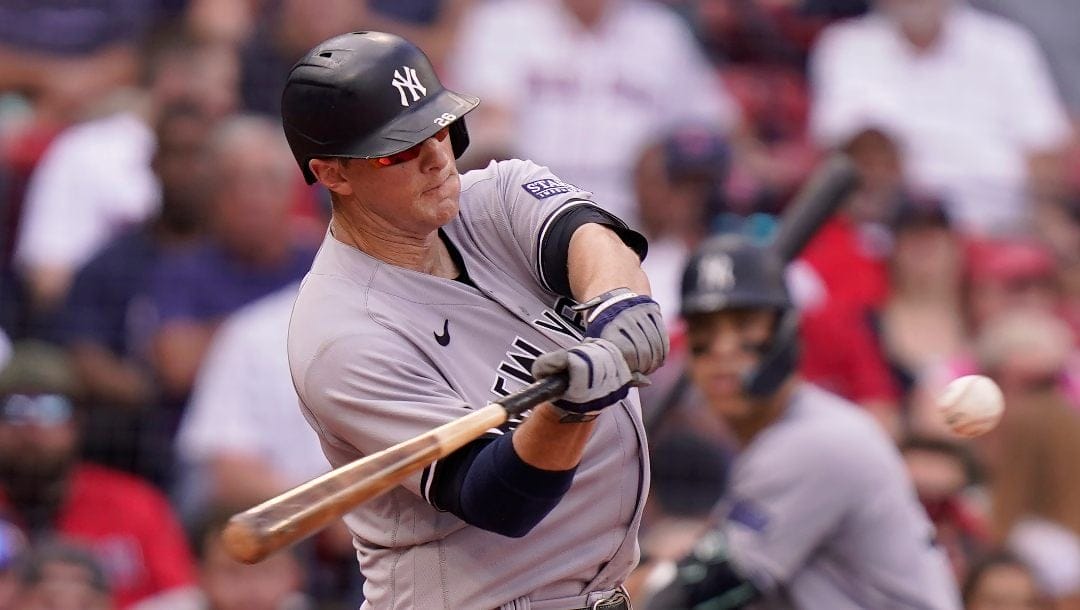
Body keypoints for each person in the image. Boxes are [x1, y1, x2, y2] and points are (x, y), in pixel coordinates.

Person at [282, 31, 668, 609]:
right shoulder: (340, 335)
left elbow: (590, 237)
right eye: (401, 148)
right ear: (333, 174)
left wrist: (616, 304)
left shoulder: (491, 195)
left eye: (439, 128)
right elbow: (501, 500)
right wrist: (567, 411)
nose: (437, 157)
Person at [639, 234, 960, 609]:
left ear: (789, 336)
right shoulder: (780, 434)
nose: (724, 351)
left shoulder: (815, 440)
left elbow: (699, 594)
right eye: (705, 333)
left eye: (746, 327)